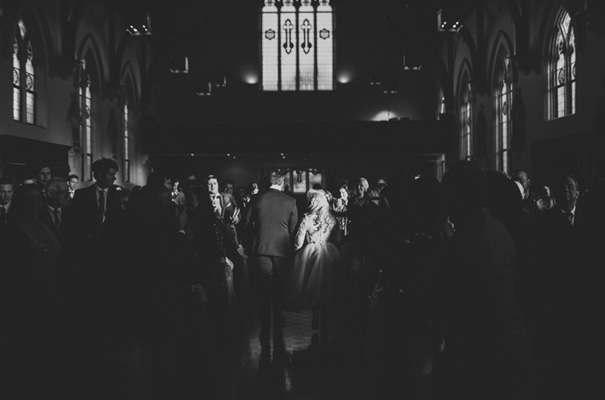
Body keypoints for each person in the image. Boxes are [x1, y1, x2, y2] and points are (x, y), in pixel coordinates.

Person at [244, 170, 298, 353]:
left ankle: (265, 325)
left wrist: (249, 243)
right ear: (282, 183)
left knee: (264, 288)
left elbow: (246, 224)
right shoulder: (291, 201)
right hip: (281, 250)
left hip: (261, 248)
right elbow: (293, 229)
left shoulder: (257, 198)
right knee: (279, 287)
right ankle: (277, 319)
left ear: (268, 182)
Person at [286, 189, 340, 344]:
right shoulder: (331, 219)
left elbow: (298, 241)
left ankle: (315, 313)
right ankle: (324, 317)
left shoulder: (307, 218)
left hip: (311, 253)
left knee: (313, 285)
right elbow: (337, 238)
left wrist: (297, 253)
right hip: (328, 252)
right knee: (326, 285)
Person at [70, 158, 122, 245]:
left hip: (111, 243)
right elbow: (76, 220)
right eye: (111, 175)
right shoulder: (82, 195)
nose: (114, 178)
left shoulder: (117, 195)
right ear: (100, 175)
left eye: (114, 174)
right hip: (87, 243)